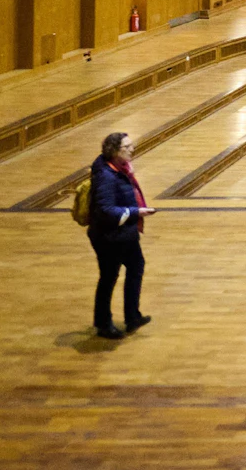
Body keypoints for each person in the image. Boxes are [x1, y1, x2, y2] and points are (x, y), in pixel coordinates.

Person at [87, 131, 156, 340]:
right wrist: (137, 212)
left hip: (125, 234)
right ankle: (103, 324)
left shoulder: (119, 169)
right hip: (109, 237)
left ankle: (132, 315)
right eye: (127, 147)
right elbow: (106, 210)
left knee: (136, 267)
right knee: (108, 278)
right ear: (115, 151)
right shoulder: (106, 176)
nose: (132, 149)